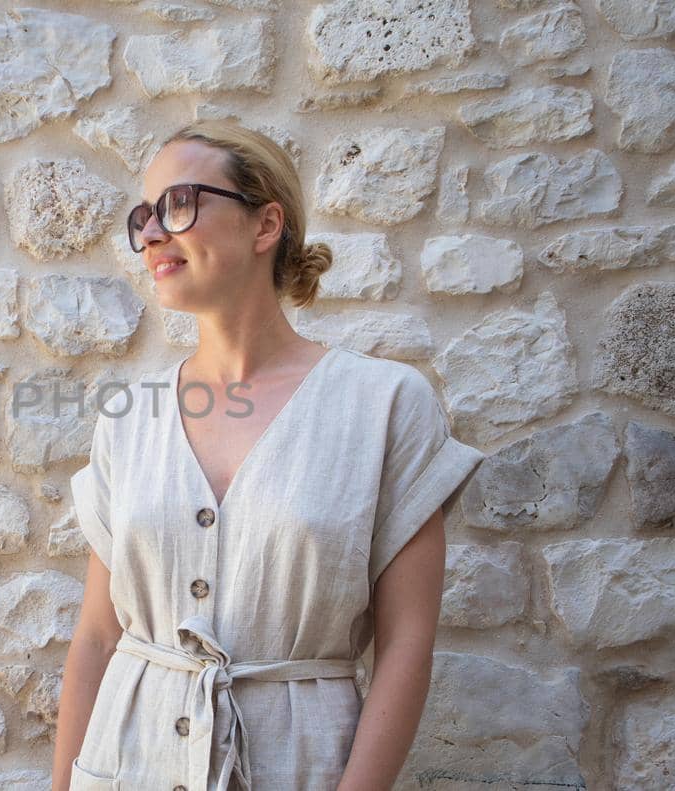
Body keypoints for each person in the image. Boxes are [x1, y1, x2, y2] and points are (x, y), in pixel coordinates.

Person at [52, 119, 487, 791]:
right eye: (145, 215)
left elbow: (406, 643)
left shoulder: (382, 405)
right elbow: (95, 640)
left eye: (180, 203)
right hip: (123, 763)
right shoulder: (130, 416)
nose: (153, 234)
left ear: (265, 225)